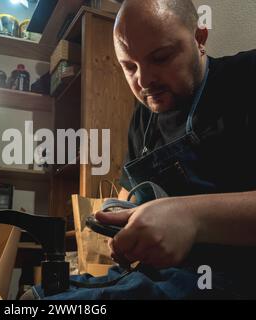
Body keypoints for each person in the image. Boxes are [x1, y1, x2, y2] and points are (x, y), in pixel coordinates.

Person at [22, 0, 256, 300]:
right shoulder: (144, 119)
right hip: (158, 276)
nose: (144, 81)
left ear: (200, 38)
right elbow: (126, 198)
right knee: (37, 298)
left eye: (160, 57)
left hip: (232, 278)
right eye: (129, 67)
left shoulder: (246, 78)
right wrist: (118, 220)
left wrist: (191, 218)